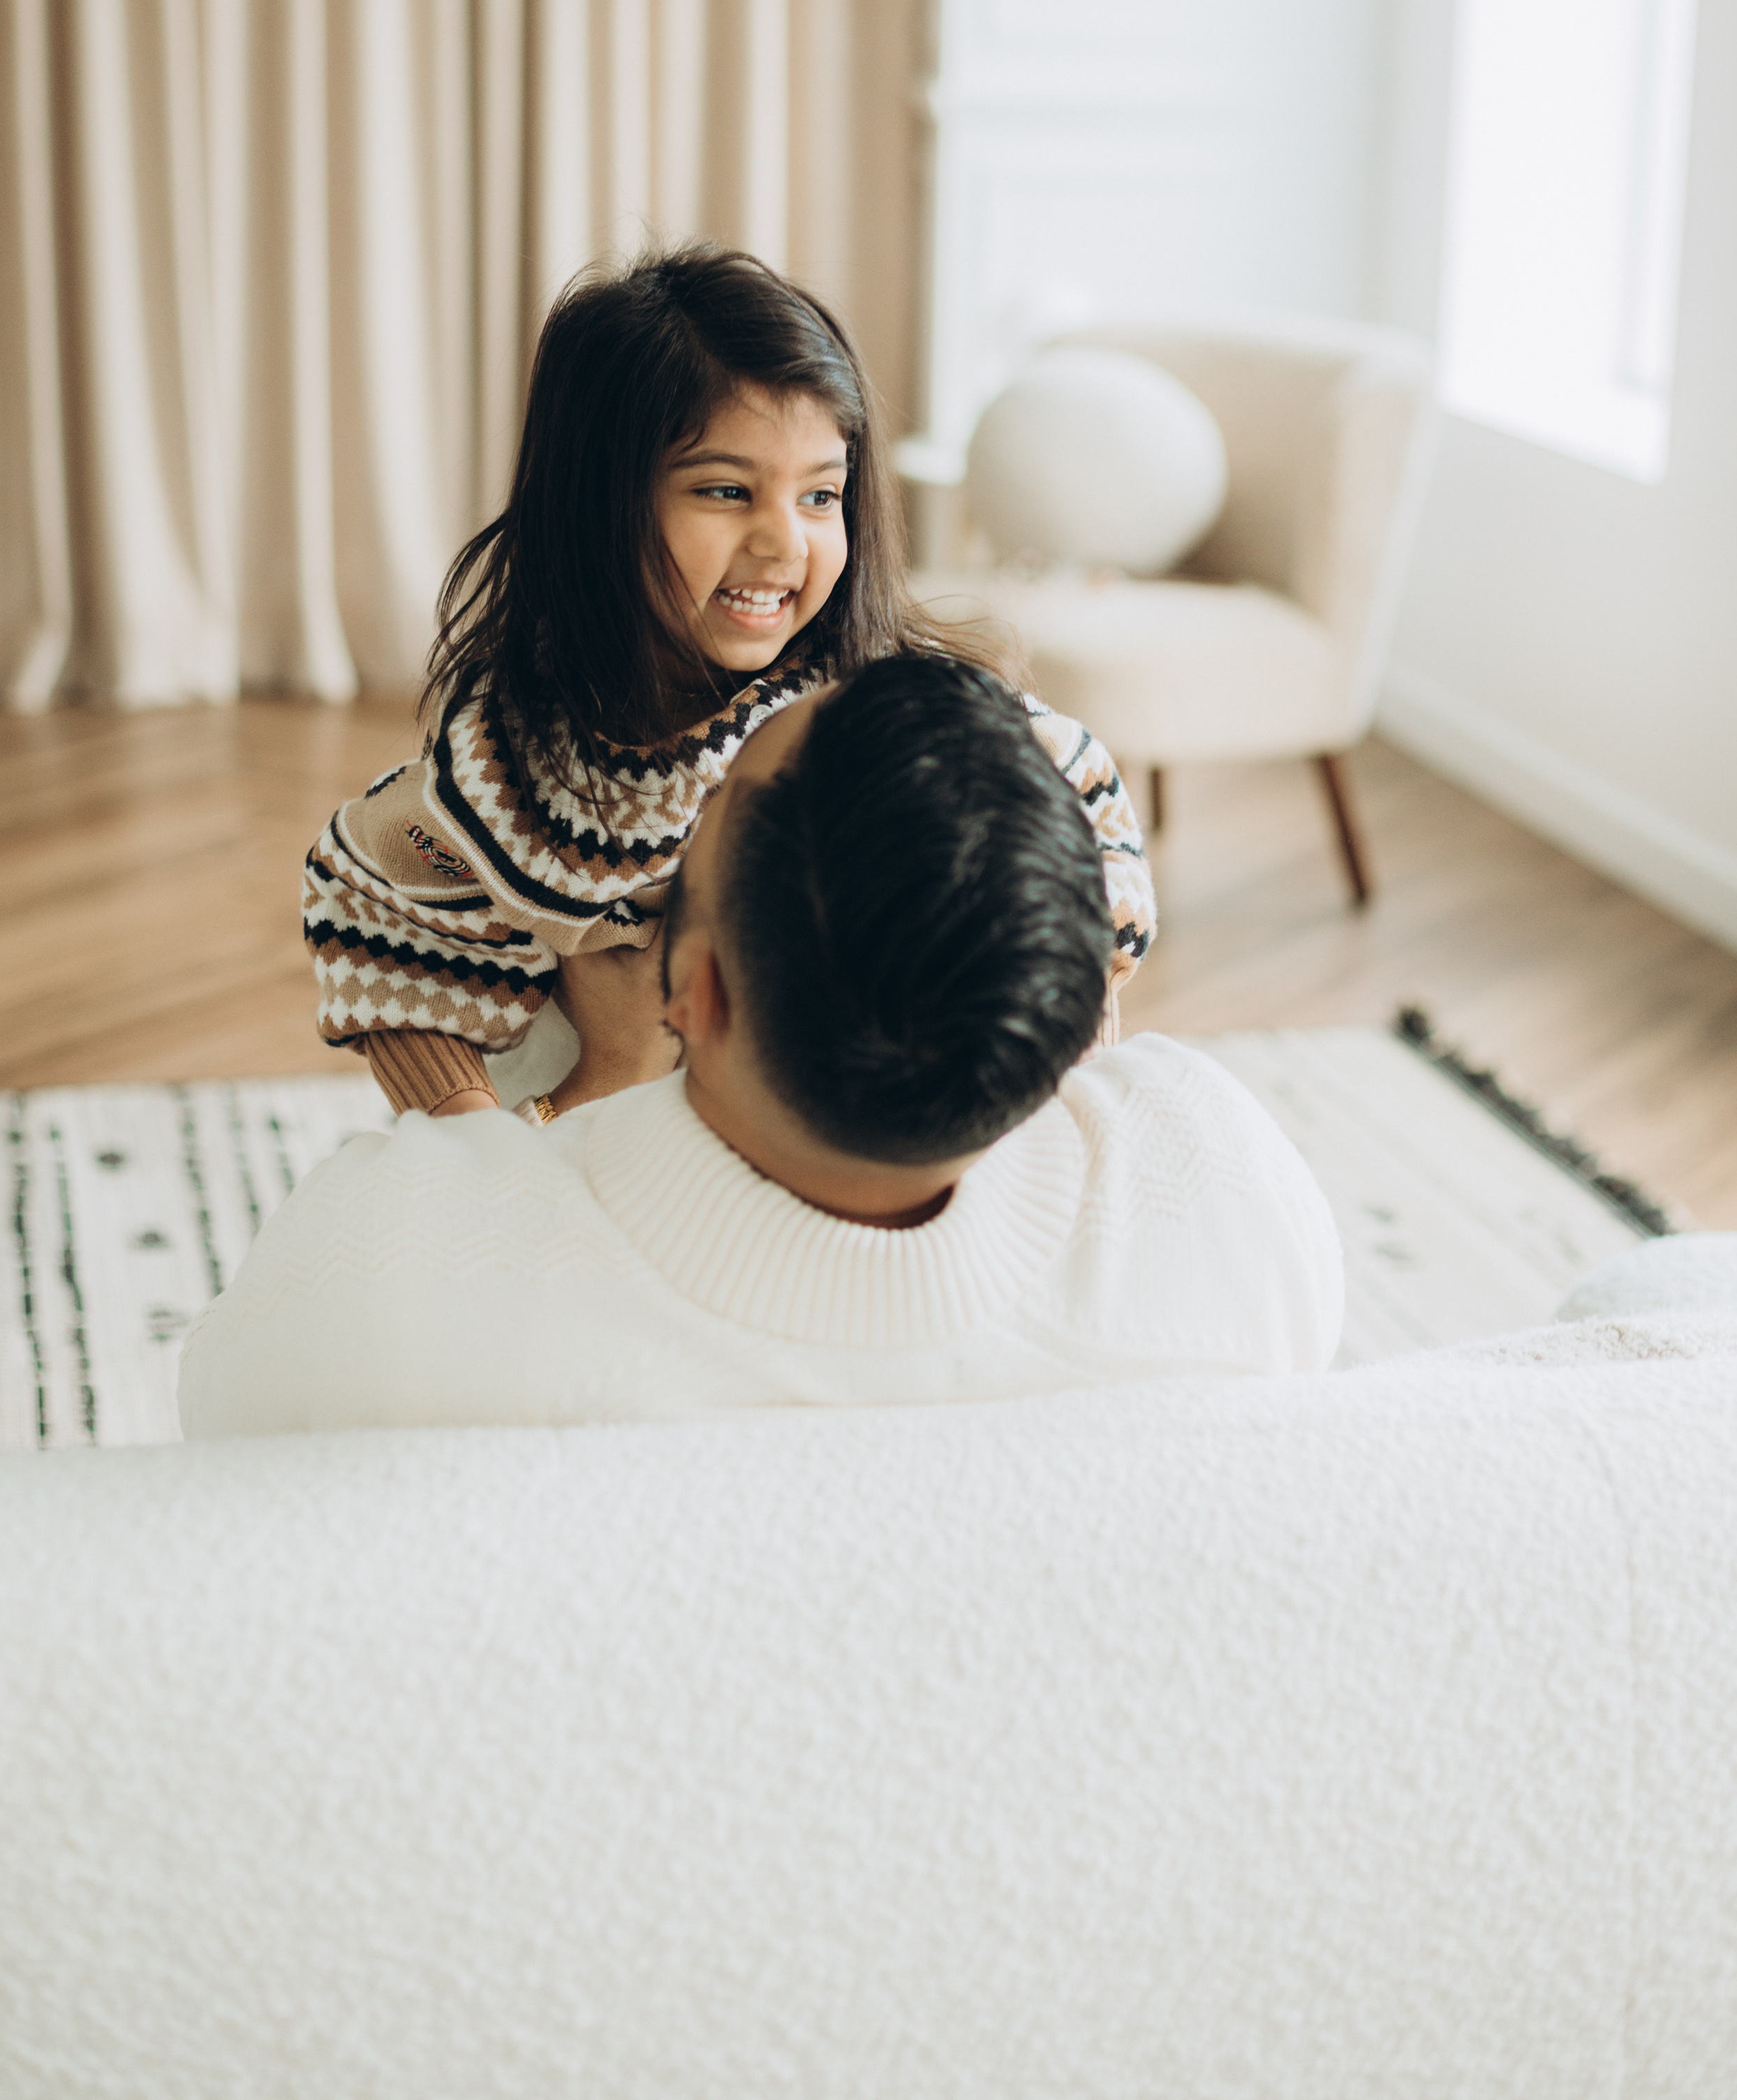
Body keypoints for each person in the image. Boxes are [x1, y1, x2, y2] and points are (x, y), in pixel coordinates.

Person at [182, 659, 1341, 1437]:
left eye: (723, 796)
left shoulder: (393, 1274)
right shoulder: (1229, 1180)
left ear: (695, 984)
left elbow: (218, 1418)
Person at [304, 245, 1156, 1129]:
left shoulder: (893, 719)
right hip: (585, 1156)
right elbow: (380, 908)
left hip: (862, 1134)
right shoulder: (510, 767)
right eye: (724, 490)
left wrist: (1038, 1088)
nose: (785, 543)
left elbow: (1075, 821)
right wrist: (500, 1138)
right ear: (599, 503)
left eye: (821, 497)